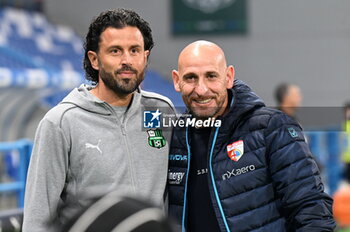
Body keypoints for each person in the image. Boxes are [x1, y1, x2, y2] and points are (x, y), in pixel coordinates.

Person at [23, 9, 175, 231]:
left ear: (145, 56)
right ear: (94, 59)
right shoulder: (60, 122)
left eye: (135, 50)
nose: (127, 61)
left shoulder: (163, 110)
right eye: (115, 51)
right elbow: (38, 216)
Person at [168, 40, 335, 231]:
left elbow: (311, 208)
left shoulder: (271, 128)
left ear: (229, 77)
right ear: (176, 80)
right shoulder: (175, 136)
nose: (201, 89)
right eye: (190, 78)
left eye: (211, 76)